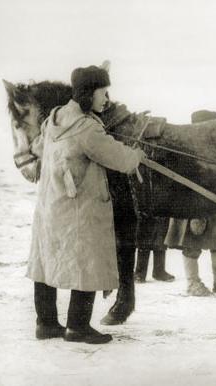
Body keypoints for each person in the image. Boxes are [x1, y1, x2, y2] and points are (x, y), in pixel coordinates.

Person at [27, 64, 146, 344]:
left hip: (51, 208)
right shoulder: (86, 128)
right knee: (87, 262)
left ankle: (46, 324)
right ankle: (78, 327)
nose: (106, 99)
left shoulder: (54, 119)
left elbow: (37, 148)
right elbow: (120, 160)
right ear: (87, 93)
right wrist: (137, 154)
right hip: (80, 211)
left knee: (46, 262)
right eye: (103, 92)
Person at [164, 110, 216, 296]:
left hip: (212, 206)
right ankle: (192, 282)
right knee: (191, 244)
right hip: (190, 207)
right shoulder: (184, 150)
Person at [134, 215, 175, 283]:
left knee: (160, 238)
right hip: (145, 211)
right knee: (144, 240)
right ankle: (140, 273)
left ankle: (159, 271)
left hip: (161, 210)